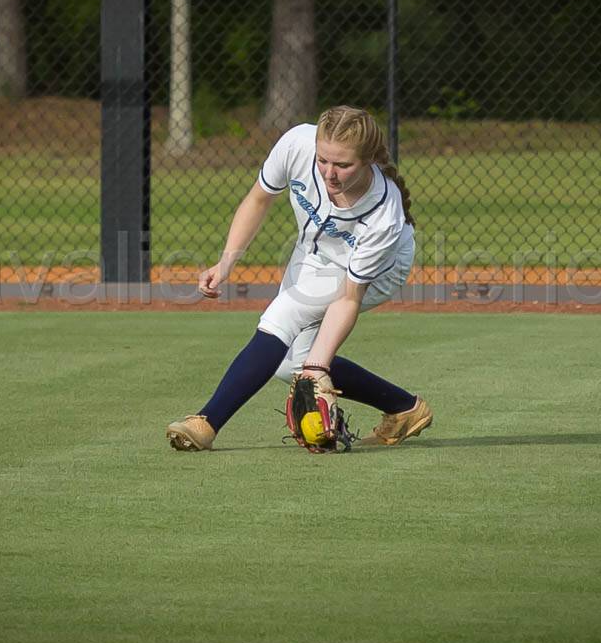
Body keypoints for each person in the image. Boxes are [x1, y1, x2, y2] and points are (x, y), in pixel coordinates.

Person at [165, 105, 433, 451]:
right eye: (323, 160)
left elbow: (348, 298)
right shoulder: (296, 144)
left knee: (285, 314)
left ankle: (207, 422)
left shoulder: (383, 215)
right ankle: (403, 408)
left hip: (380, 267)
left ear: (368, 160)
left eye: (343, 165)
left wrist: (319, 366)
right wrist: (225, 263)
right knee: (287, 363)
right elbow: (259, 199)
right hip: (314, 251)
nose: (329, 173)